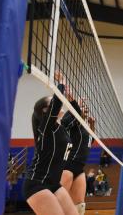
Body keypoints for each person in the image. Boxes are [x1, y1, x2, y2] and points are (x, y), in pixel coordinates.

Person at [22, 72, 79, 215]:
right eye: (51, 102)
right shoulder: (46, 128)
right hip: (37, 183)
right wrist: (61, 83)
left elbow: (76, 113)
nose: (59, 102)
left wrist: (71, 96)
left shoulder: (62, 127)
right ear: (46, 111)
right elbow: (56, 103)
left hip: (54, 184)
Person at [60, 98, 95, 215]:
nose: (85, 109)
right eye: (82, 107)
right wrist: (76, 107)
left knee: (79, 207)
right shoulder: (72, 124)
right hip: (67, 166)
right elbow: (64, 122)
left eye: (86, 108)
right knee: (58, 204)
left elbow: (91, 139)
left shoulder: (85, 129)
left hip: (79, 169)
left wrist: (92, 124)